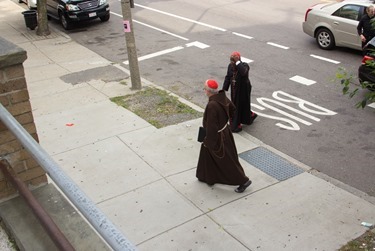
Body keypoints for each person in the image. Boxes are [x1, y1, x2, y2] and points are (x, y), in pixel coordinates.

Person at [196, 79, 252, 193]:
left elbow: (212, 127)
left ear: (208, 91)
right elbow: (233, 109)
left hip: (217, 137)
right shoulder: (222, 97)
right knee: (208, 155)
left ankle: (243, 181)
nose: (204, 91)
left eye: (204, 89)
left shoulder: (212, 105)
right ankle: (207, 177)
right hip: (224, 132)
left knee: (226, 161)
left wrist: (209, 142)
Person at [223, 51, 257, 133]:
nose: (232, 63)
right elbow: (228, 77)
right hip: (235, 90)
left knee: (240, 106)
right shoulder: (230, 66)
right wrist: (224, 89)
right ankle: (248, 116)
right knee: (237, 107)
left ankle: (236, 125)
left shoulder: (244, 65)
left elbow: (244, 72)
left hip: (243, 90)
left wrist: (237, 62)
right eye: (232, 61)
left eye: (234, 61)